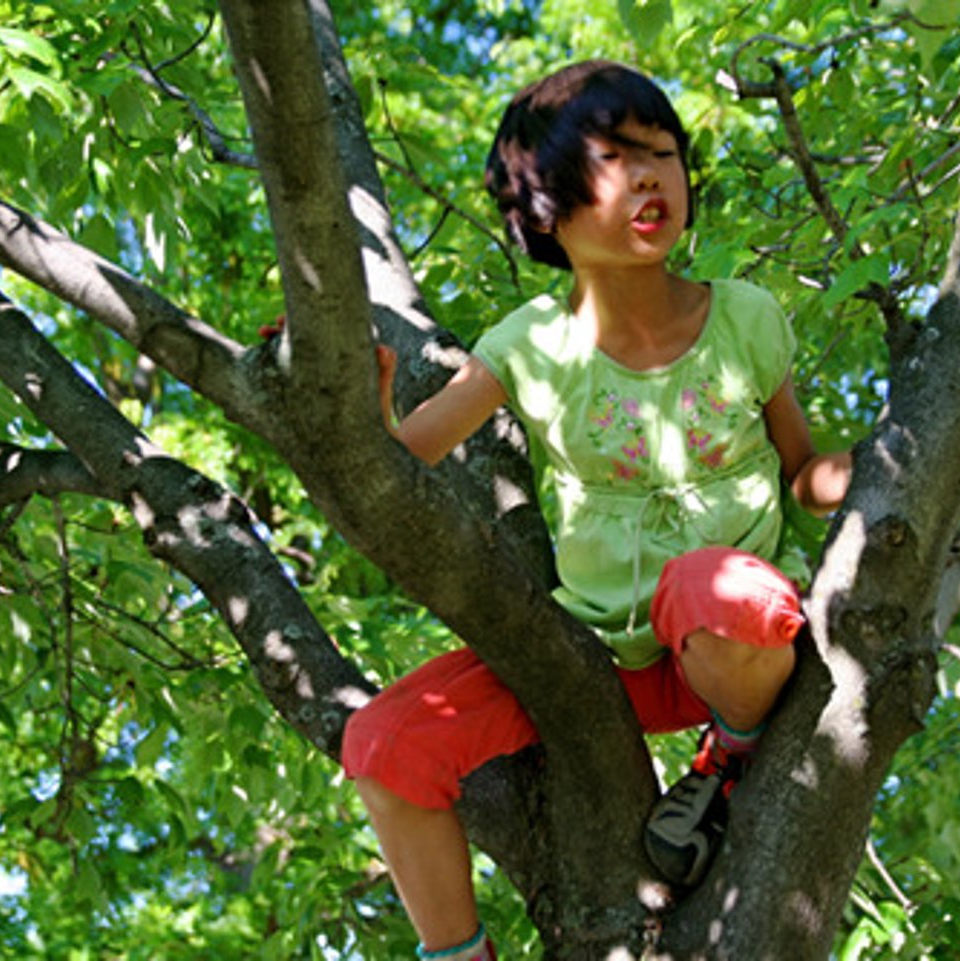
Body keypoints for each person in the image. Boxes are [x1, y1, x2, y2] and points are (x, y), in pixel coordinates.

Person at [341, 60, 851, 960]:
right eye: (616, 157)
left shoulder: (744, 318)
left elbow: (801, 466)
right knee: (381, 743)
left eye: (664, 152)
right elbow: (397, 466)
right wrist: (365, 411)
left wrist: (864, 474)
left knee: (717, 586)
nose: (653, 174)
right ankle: (460, 955)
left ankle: (724, 767)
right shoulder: (531, 343)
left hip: (731, 651)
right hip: (590, 654)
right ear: (547, 205)